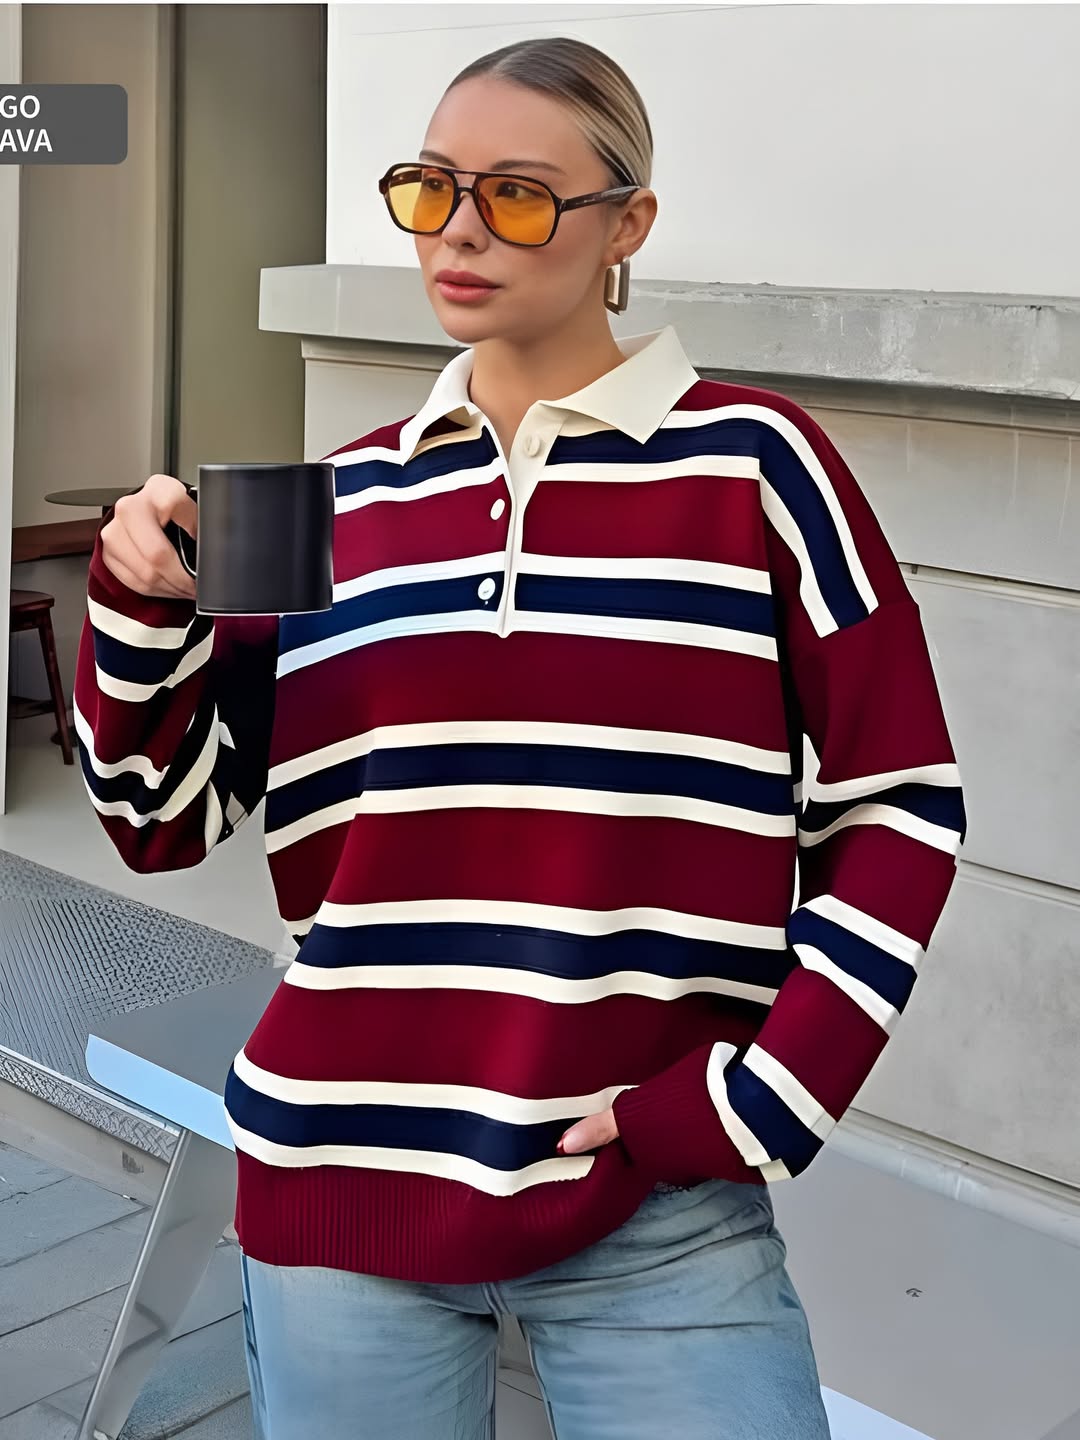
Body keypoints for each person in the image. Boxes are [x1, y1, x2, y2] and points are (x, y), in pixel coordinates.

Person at [75, 36, 967, 1440]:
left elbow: (900, 803)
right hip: (338, 1196)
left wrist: (763, 1096)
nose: (462, 230)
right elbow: (161, 815)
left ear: (629, 225)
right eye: (432, 187)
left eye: (520, 194)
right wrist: (137, 602)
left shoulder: (760, 469)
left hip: (658, 1221)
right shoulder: (326, 502)